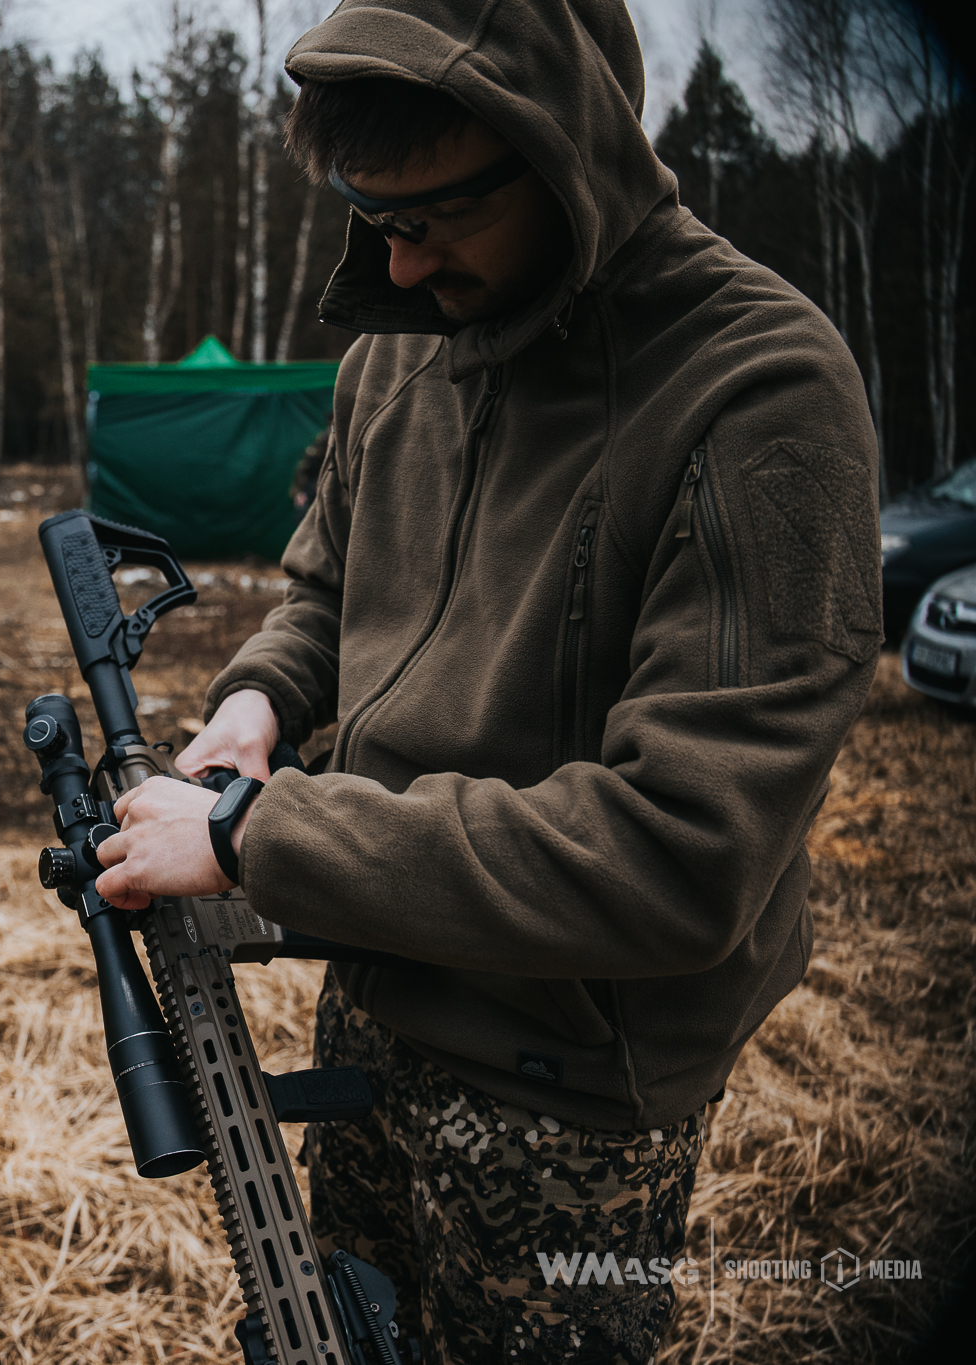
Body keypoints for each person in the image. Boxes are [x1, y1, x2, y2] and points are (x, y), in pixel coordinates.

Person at [91, 1, 880, 1360]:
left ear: (566, 151)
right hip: (378, 982)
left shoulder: (758, 394)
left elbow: (682, 854)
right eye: (368, 214)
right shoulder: (397, 349)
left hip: (565, 1076)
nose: (397, 265)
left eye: (437, 213)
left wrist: (250, 838)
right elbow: (328, 587)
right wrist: (262, 697)